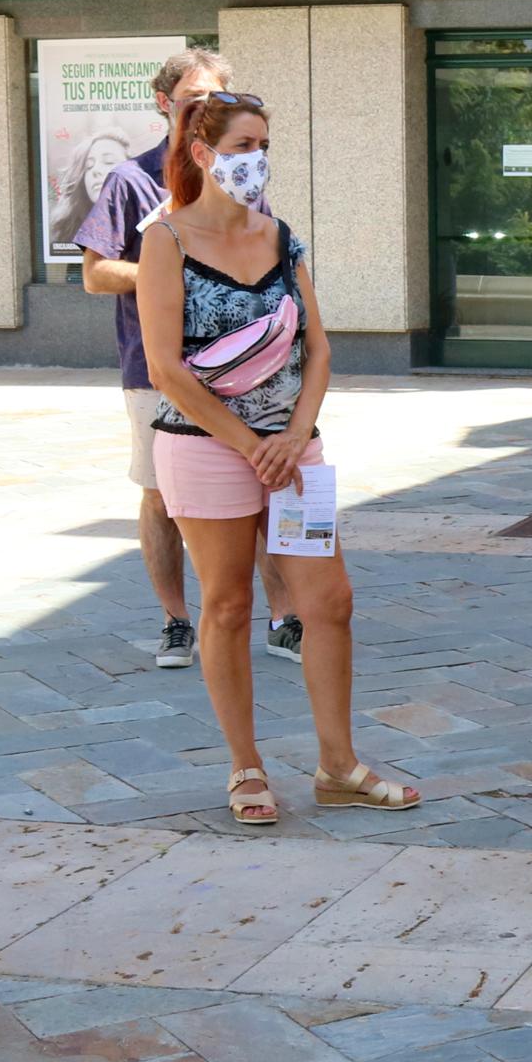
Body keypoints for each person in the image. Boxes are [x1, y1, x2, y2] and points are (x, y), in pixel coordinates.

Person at [134, 91, 416, 823]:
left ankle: (338, 766)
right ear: (203, 154)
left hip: (295, 452)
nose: (257, 158)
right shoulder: (164, 241)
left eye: (264, 143)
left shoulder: (280, 236)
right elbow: (166, 369)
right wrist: (252, 445)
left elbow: (317, 349)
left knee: (330, 603)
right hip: (205, 449)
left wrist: (295, 435)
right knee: (226, 605)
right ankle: (246, 768)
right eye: (243, 144)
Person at [79, 48, 301, 671]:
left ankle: (284, 619)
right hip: (159, 368)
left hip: (252, 368)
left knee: (265, 488)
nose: (205, 110)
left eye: (217, 100)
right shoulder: (133, 180)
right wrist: (170, 268)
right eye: (193, 100)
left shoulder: (240, 174)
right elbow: (96, 276)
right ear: (164, 104)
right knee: (159, 497)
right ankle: (177, 621)